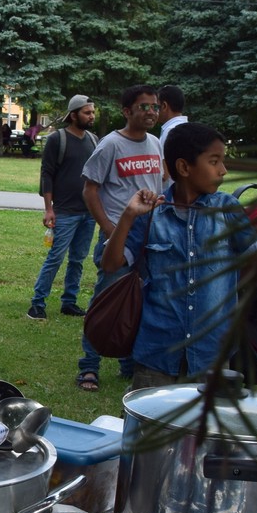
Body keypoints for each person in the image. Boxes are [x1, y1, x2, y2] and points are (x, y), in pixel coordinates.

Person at [101, 122, 257, 390]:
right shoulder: (152, 213)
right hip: (157, 353)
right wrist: (128, 215)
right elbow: (110, 264)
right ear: (184, 167)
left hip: (212, 354)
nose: (223, 170)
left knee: (207, 419)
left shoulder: (227, 209)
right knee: (151, 417)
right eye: (214, 161)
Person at [75, 84, 167, 392]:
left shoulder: (155, 143)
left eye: (155, 106)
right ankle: (89, 367)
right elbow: (90, 190)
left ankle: (129, 363)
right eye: (144, 107)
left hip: (150, 237)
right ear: (127, 111)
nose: (151, 112)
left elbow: (161, 182)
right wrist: (110, 229)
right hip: (119, 237)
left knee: (140, 301)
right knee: (106, 302)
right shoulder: (111, 144)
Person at [27, 95, 100, 321]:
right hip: (65, 212)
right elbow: (47, 174)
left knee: (78, 259)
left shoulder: (94, 140)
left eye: (93, 112)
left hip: (88, 213)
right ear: (74, 115)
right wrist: (49, 209)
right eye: (87, 113)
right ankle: (37, 303)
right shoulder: (57, 139)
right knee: (56, 258)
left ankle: (69, 302)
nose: (92, 116)